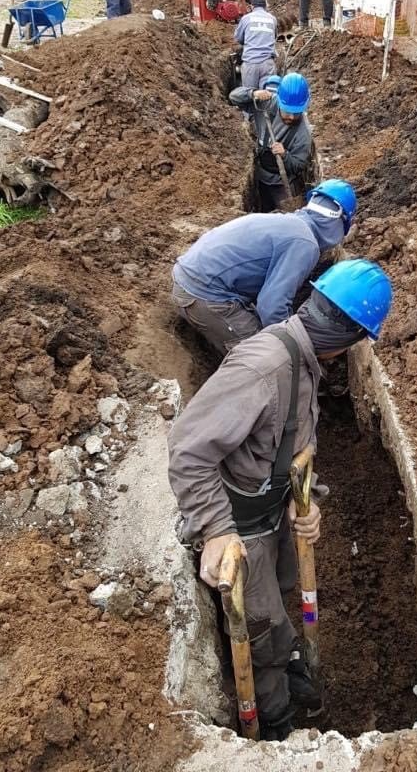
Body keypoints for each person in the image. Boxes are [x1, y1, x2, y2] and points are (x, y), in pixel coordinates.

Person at [168, 258, 393, 741]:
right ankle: (271, 721)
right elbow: (188, 450)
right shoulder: (264, 367)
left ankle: (287, 655)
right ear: (351, 339)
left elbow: (295, 442)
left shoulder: (303, 360)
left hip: (274, 507)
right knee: (261, 627)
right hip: (239, 521)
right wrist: (217, 530)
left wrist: (307, 500)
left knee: (286, 583)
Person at [171, 179, 357, 355]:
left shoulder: (288, 224)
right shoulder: (305, 244)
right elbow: (272, 307)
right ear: (338, 224)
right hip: (202, 294)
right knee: (268, 354)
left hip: (190, 279)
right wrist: (295, 346)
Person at [229, 72, 312, 212]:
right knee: (263, 210)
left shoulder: (303, 133)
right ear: (279, 101)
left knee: (286, 217)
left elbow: (299, 165)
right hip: (260, 175)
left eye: (296, 113)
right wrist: (252, 94)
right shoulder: (267, 103)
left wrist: (285, 155)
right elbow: (233, 97)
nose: (292, 117)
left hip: (281, 184)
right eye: (288, 111)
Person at [234, 0, 278, 90]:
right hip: (268, 63)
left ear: (252, 6)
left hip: (250, 63)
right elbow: (274, 37)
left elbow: (238, 38)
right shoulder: (272, 19)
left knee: (250, 95)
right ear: (265, 7)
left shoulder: (246, 18)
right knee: (268, 95)